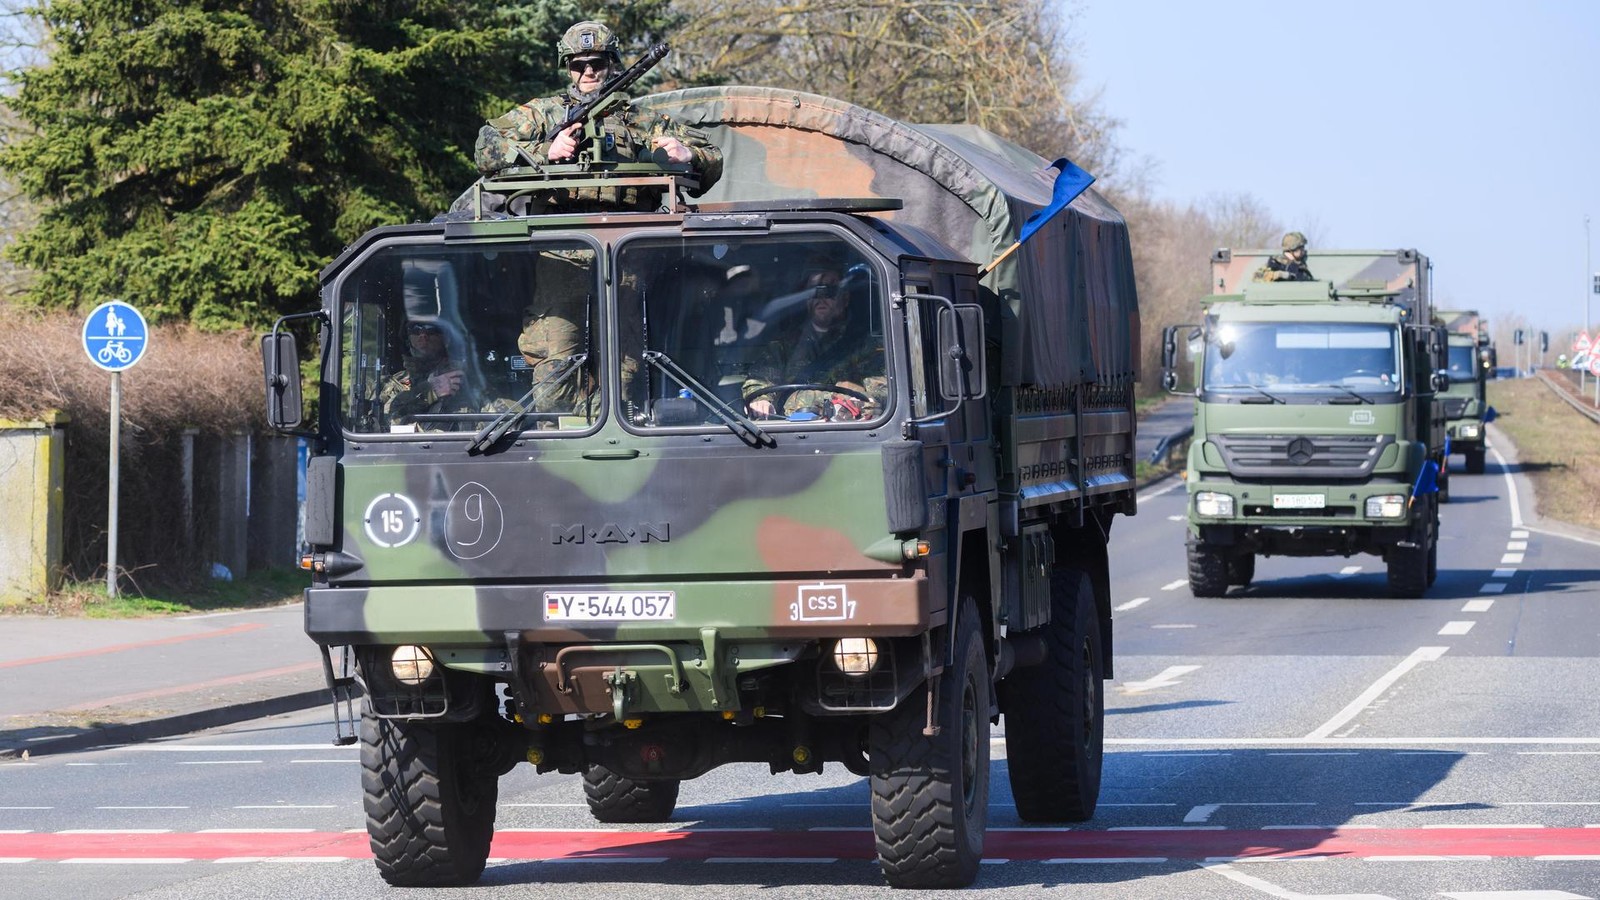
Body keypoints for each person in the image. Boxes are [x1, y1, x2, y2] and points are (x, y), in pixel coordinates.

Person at [472, 21, 722, 210]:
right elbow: (485, 147)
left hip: (633, 241)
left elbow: (713, 156)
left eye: (597, 64)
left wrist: (688, 154)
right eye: (579, 66)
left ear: (611, 65)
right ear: (569, 68)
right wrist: (546, 151)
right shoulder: (544, 113)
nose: (589, 72)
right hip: (558, 245)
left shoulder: (642, 120)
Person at [742, 265, 886, 420]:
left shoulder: (866, 344)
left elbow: (882, 388)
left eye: (829, 290)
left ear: (845, 298)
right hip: (793, 432)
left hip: (848, 430)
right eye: (814, 291)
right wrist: (761, 401)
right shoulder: (783, 345)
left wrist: (862, 399)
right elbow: (760, 379)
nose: (821, 298)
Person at [381, 319, 476, 427]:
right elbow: (383, 422)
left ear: (446, 337)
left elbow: (494, 424)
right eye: (415, 329)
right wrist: (429, 391)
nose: (423, 335)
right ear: (408, 338)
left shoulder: (466, 382)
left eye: (431, 329)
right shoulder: (393, 385)